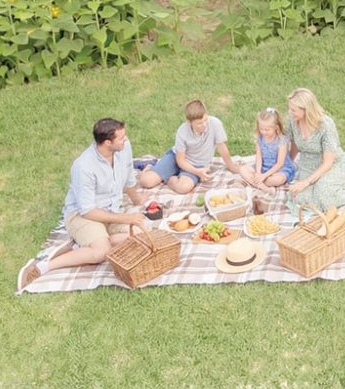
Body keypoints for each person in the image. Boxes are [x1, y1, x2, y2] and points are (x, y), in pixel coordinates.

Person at [20, 117, 148, 289]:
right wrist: (128, 218)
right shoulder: (83, 166)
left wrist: (137, 199)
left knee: (142, 236)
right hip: (83, 215)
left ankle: (83, 246)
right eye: (121, 138)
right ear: (107, 143)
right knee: (100, 253)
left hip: (111, 211)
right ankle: (44, 265)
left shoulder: (124, 148)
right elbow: (87, 210)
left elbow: (128, 173)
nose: (125, 139)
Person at [137, 99, 240, 194]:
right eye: (199, 123)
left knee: (183, 188)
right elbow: (180, 160)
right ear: (189, 122)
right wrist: (198, 173)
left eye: (205, 120)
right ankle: (150, 166)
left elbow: (222, 147)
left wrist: (231, 166)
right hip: (176, 159)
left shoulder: (215, 124)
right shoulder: (182, 131)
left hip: (197, 165)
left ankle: (170, 178)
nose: (204, 125)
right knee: (145, 182)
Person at [239, 107, 297, 192]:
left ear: (276, 127)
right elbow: (258, 157)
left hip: (279, 169)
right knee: (242, 169)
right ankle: (266, 188)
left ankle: (258, 183)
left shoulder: (282, 140)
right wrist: (258, 173)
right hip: (263, 167)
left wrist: (264, 176)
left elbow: (280, 164)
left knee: (277, 180)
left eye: (267, 129)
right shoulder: (260, 138)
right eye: (261, 129)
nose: (264, 132)